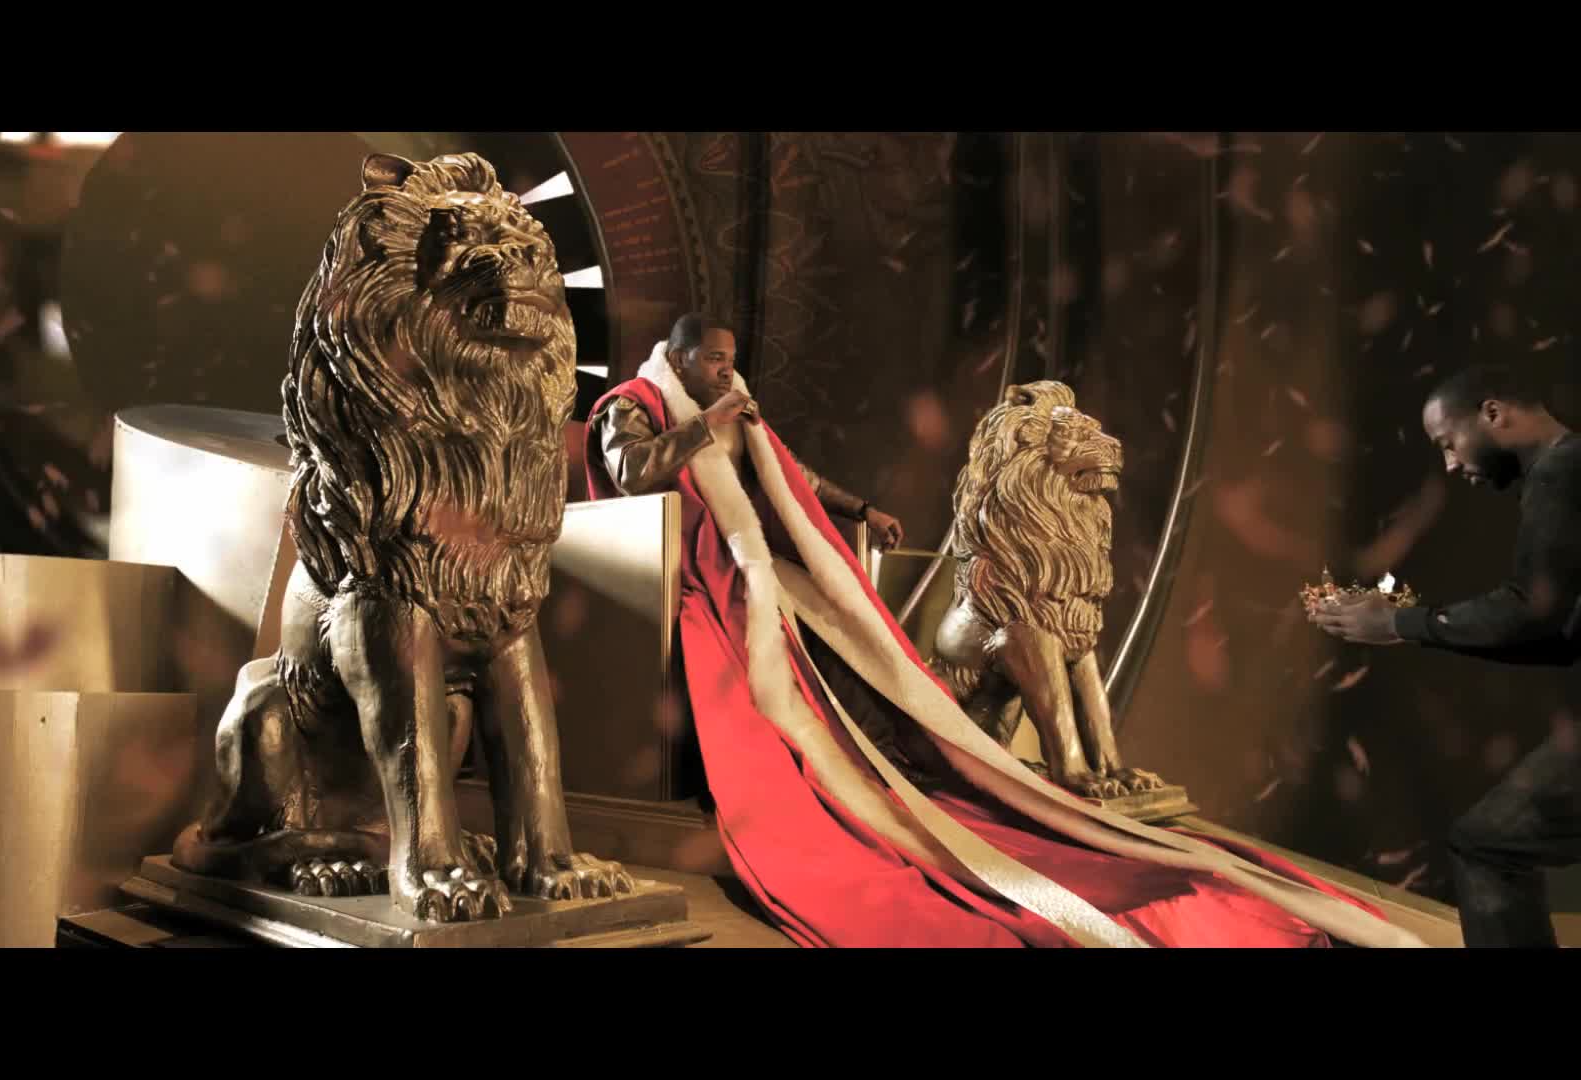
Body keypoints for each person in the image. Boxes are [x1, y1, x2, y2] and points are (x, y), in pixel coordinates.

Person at [584, 311, 1423, 948]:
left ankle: (904, 764)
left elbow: (787, 473)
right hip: (681, 568)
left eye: (731, 358)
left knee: (850, 653)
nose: (728, 370)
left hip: (746, 566)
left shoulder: (725, 405)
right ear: (680, 358)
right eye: (715, 359)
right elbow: (632, 471)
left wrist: (856, 507)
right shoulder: (633, 407)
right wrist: (709, 422)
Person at [1312, 363, 1581, 948]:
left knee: (1488, 845)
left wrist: (1399, 623)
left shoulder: (1562, 472)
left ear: (1493, 413)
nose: (1451, 464)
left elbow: (1531, 613)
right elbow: (1556, 634)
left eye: (1448, 443)